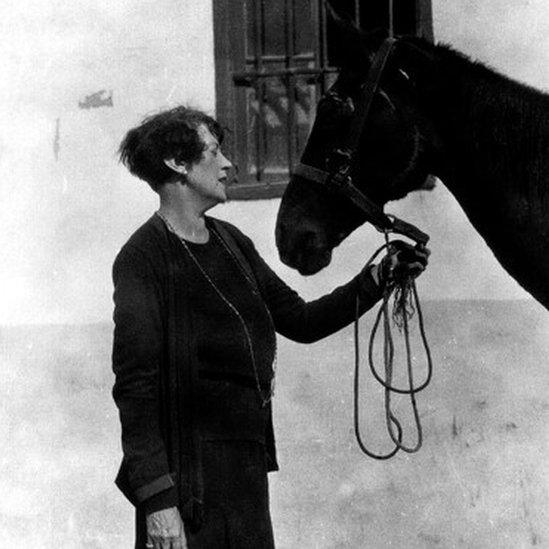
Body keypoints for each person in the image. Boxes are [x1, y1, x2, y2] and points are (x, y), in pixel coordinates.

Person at [112, 105, 429, 549]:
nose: (228, 165)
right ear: (177, 164)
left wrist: (378, 278)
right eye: (214, 152)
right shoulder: (142, 258)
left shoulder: (233, 243)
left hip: (246, 468)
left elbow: (301, 320)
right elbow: (136, 388)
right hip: (186, 484)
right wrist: (157, 501)